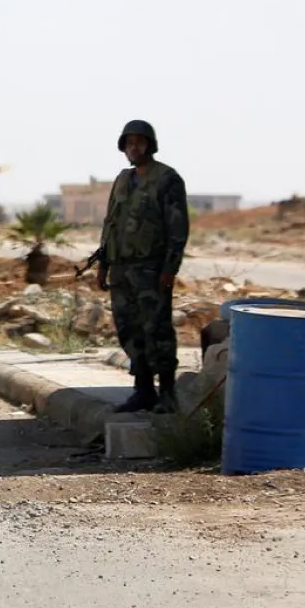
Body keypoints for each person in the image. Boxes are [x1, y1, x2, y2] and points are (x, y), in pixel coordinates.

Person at [96, 120, 189, 413]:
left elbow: (177, 229)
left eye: (139, 142)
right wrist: (103, 264)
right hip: (122, 270)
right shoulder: (123, 180)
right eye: (129, 143)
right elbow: (110, 224)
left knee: (157, 330)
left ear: (149, 145)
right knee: (129, 329)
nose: (133, 148)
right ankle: (143, 390)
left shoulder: (167, 179)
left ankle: (168, 393)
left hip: (151, 269)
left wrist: (169, 269)